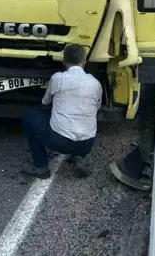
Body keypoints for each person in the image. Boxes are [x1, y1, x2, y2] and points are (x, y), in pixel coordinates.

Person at [21, 44, 102, 179]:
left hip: (59, 141)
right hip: (87, 144)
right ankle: (78, 156)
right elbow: (96, 108)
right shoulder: (95, 83)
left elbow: (45, 102)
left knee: (31, 116)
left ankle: (41, 166)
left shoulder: (58, 78)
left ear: (64, 62)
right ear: (84, 61)